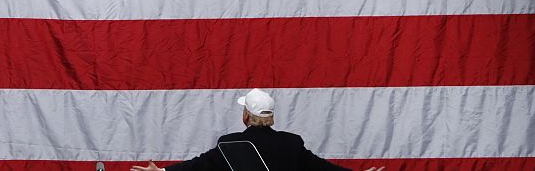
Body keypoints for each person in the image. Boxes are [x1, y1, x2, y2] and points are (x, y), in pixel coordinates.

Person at [131, 89, 377, 171]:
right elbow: (321, 168)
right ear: (271, 117)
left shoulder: (230, 144)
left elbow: (198, 166)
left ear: (246, 115)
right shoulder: (292, 143)